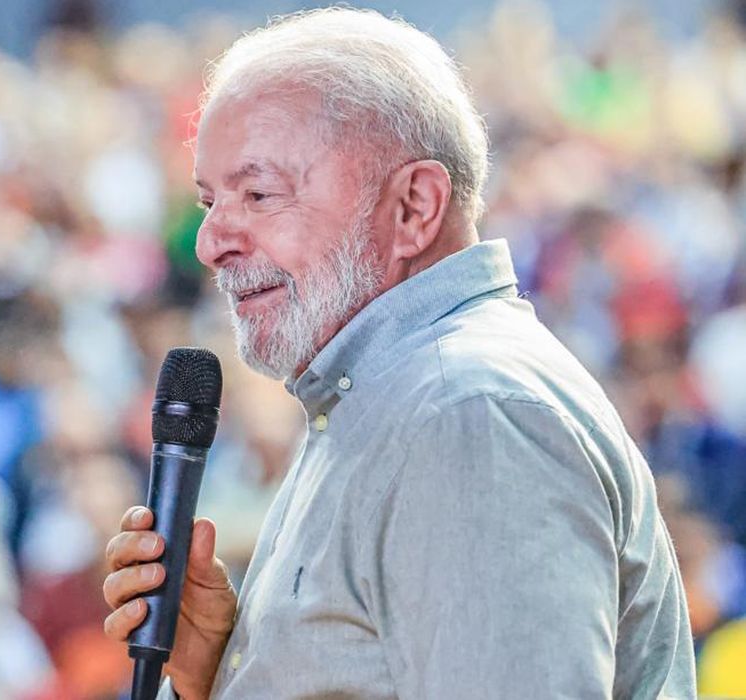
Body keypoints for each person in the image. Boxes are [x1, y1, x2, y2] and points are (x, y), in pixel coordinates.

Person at [101, 7, 696, 699]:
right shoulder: (391, 394)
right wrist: (226, 673)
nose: (212, 243)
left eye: (258, 194)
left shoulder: (467, 413)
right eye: (209, 202)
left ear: (414, 207)